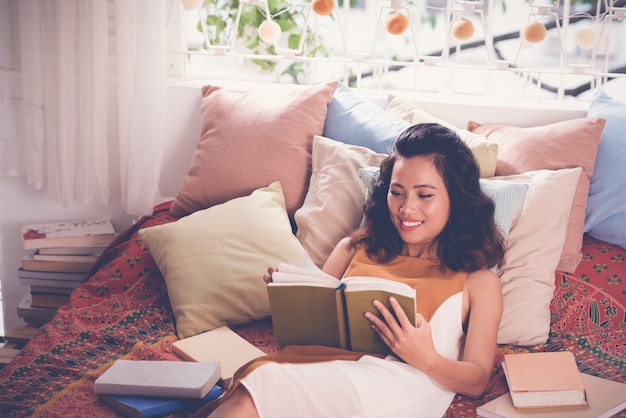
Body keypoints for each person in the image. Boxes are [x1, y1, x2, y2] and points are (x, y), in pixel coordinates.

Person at [205, 123, 505, 418]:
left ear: (457, 200)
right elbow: (309, 331)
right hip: (324, 366)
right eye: (397, 192)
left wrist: (426, 357)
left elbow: (477, 380)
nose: (406, 208)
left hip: (403, 381)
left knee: (261, 385)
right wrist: (291, 294)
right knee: (252, 381)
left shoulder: (479, 282)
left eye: (424, 195)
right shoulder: (354, 248)